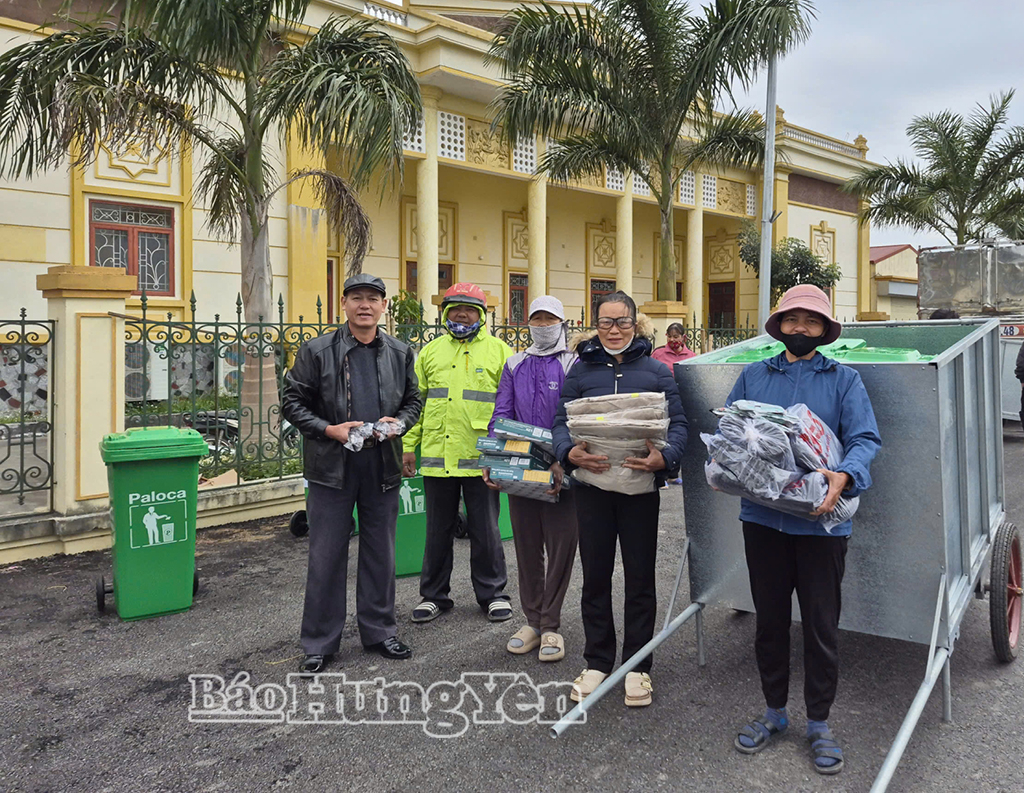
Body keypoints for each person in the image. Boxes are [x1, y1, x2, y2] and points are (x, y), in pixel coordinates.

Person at [727, 284, 880, 776]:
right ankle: (774, 712)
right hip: (764, 519)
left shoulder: (844, 380)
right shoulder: (753, 375)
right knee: (770, 621)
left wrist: (845, 474)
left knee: (820, 625)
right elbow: (731, 430)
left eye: (811, 321)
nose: (800, 328)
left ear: (824, 329)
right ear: (780, 326)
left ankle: (819, 723)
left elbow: (865, 439)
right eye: (792, 319)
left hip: (821, 525)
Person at [552, 291, 688, 707]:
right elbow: (559, 422)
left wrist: (666, 457)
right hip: (592, 491)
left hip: (639, 491)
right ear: (595, 325)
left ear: (635, 323)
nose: (614, 330)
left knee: (640, 578)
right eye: (606, 322)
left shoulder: (656, 371)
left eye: (622, 322)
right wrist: (567, 453)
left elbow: (679, 423)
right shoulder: (580, 371)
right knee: (595, 576)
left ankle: (638, 665)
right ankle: (597, 660)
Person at [282, 273, 422, 675]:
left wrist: (400, 423)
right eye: (357, 297)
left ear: (384, 306)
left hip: (382, 467)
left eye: (373, 299)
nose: (365, 305)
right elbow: (292, 401)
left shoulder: (399, 352)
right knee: (326, 556)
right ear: (343, 303)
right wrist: (329, 430)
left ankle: (380, 632)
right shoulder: (317, 350)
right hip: (331, 468)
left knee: (381, 554)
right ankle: (319, 643)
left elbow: (414, 399)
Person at [403, 283, 514, 624]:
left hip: (482, 459)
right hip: (438, 459)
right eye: (455, 309)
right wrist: (407, 446)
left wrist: (503, 453)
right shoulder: (430, 353)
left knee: (486, 531)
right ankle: (433, 596)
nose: (461, 315)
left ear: (481, 314)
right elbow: (415, 404)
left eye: (469, 309)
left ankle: (493, 595)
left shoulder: (500, 352)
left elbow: (508, 406)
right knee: (437, 531)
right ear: (445, 313)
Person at [484, 296, 578, 662]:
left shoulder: (573, 363)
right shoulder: (514, 363)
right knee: (526, 547)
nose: (542, 325)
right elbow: (502, 412)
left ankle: (551, 623)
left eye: (549, 319)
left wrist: (561, 458)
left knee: (560, 548)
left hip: (561, 469)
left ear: (561, 323)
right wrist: (493, 458)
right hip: (520, 468)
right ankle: (533, 622)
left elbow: (574, 414)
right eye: (536, 319)